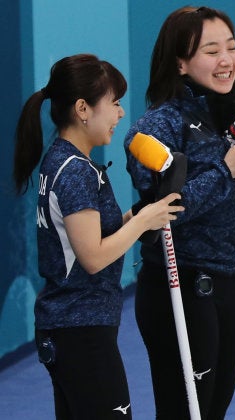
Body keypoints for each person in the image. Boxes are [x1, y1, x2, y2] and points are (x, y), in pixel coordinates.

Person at [123, 6, 235, 419]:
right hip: (179, 283)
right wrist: (227, 168)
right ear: (180, 62)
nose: (226, 60)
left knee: (214, 408)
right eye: (211, 51)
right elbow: (162, 213)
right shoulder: (155, 127)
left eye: (231, 47)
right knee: (184, 411)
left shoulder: (228, 117)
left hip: (227, 279)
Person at [12, 54, 183, 419]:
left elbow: (90, 234)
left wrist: (139, 215)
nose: (120, 114)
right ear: (83, 108)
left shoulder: (67, 162)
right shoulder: (74, 170)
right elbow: (92, 256)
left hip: (74, 327)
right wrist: (140, 224)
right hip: (80, 331)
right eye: (115, 103)